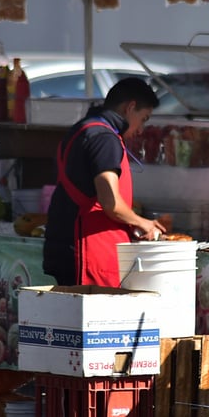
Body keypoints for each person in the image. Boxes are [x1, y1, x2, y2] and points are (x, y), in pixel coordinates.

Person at [42, 76, 166, 287]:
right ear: (130, 107)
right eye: (144, 119)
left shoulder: (81, 129)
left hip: (66, 244)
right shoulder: (105, 139)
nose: (141, 130)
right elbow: (110, 203)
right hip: (86, 250)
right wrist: (142, 222)